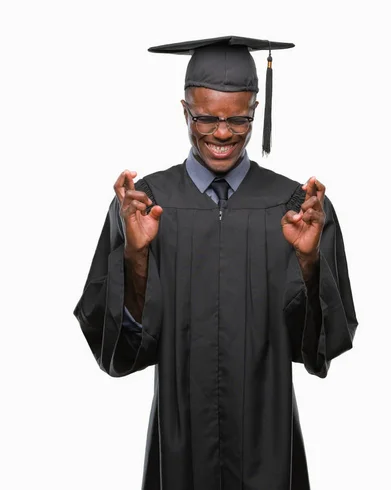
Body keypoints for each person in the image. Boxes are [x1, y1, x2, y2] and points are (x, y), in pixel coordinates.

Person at [74, 35, 358, 490]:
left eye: (239, 118)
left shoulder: (295, 206)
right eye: (205, 117)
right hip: (180, 444)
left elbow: (317, 350)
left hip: (269, 443)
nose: (222, 132)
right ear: (184, 109)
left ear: (256, 110)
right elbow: (121, 354)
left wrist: (309, 262)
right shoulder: (144, 204)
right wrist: (136, 255)